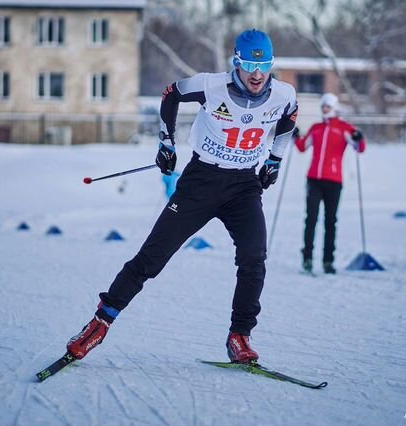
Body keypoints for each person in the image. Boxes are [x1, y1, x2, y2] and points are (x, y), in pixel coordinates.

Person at [65, 29, 298, 364]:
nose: (257, 74)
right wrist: (166, 142)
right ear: (237, 62)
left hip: (244, 186)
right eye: (249, 65)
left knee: (254, 257)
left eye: (264, 66)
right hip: (201, 181)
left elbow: (289, 119)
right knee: (152, 257)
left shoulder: (283, 94)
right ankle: (99, 323)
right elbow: (171, 94)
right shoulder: (210, 85)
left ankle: (240, 336)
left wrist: (274, 159)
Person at [294, 93, 366, 275]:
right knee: (310, 219)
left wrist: (359, 138)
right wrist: (295, 137)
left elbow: (360, 148)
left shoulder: (344, 127)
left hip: (333, 181)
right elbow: (303, 147)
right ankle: (307, 258)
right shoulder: (316, 128)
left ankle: (328, 261)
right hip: (314, 179)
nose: (324, 109)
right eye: (323, 106)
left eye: (327, 106)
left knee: (330, 221)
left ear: (334, 107)